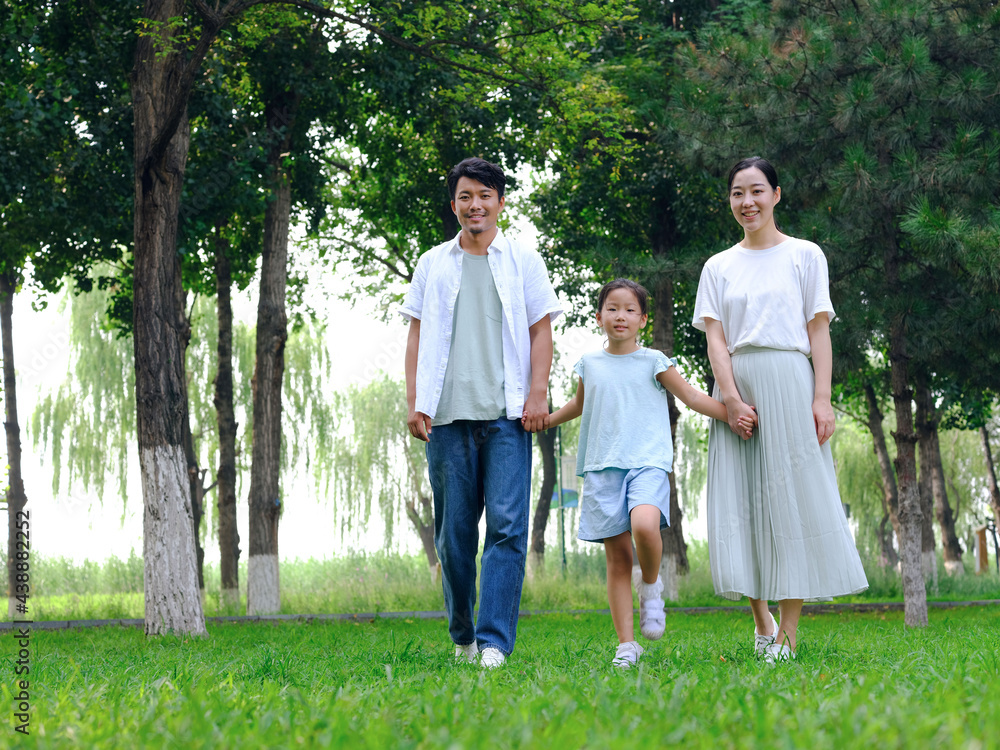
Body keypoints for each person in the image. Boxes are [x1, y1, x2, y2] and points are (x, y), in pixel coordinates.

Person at [692, 156, 869, 664]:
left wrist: (822, 397)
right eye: (737, 193)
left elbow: (819, 332)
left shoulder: (805, 255)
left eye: (756, 191)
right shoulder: (718, 266)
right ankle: (761, 621)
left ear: (776, 194)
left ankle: (788, 634)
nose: (747, 202)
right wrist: (729, 399)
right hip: (737, 384)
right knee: (742, 502)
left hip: (792, 380)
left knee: (792, 500)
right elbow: (717, 341)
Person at [400, 157, 562, 669]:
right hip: (447, 417)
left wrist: (538, 392)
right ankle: (463, 635)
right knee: (454, 536)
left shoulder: (523, 260)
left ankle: (494, 644)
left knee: (509, 527)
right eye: (466, 196)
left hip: (509, 416)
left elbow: (540, 328)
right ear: (455, 205)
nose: (475, 205)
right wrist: (414, 401)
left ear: (500, 202)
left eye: (485, 195)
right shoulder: (433, 263)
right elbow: (417, 334)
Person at [543, 278, 754, 668]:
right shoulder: (589, 364)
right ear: (598, 316)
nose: (619, 316)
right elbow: (578, 406)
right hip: (603, 465)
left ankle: (652, 585)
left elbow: (690, 396)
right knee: (619, 560)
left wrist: (732, 412)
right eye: (612, 308)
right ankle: (626, 645)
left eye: (629, 310)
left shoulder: (654, 361)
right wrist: (545, 420)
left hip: (647, 462)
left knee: (645, 525)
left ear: (642, 319)